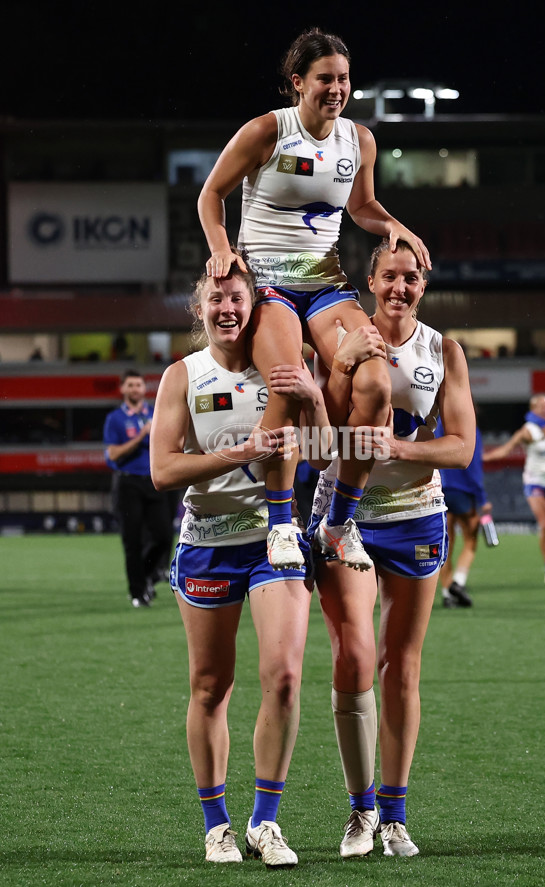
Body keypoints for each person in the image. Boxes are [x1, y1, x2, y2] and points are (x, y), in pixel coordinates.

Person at [198, 27, 430, 574]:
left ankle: (336, 523)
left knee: (377, 382)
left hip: (325, 283)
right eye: (325, 78)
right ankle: (280, 524)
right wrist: (221, 251)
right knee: (284, 383)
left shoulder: (359, 141)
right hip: (271, 285)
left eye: (344, 79)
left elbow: (363, 205)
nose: (336, 88)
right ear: (298, 83)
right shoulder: (265, 132)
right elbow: (211, 194)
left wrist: (397, 227)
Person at [149, 260, 328, 866]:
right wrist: (241, 453)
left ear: (255, 305)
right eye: (216, 299)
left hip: (272, 541)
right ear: (199, 309)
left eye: (237, 298)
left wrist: (315, 400)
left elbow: (327, 457)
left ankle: (265, 822)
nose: (227, 308)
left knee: (284, 676)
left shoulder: (282, 369)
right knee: (210, 686)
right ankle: (216, 824)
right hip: (207, 542)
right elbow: (162, 470)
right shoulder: (183, 376)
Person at [307, 239, 475, 858]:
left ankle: (396, 816)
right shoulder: (341, 336)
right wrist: (341, 368)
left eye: (410, 278)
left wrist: (400, 451)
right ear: (370, 281)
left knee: (399, 666)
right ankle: (361, 811)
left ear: (422, 285)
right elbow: (320, 443)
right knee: (353, 659)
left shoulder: (443, 351)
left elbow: (460, 447)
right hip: (344, 517)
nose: (399, 288)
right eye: (389, 277)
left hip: (414, 516)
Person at [103, 369, 173, 607]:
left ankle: (147, 577)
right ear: (122, 389)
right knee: (132, 541)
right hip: (127, 483)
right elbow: (112, 454)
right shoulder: (115, 419)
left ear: (145, 389)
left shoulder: (155, 414)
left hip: (154, 482)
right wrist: (142, 436)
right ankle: (137, 593)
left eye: (139, 385)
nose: (135, 389)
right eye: (130, 385)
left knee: (163, 537)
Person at [483, 394, 545, 584]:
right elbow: (505, 450)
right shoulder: (528, 430)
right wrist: (481, 459)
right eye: (544, 407)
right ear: (534, 408)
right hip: (534, 481)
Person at [437, 420, 493, 607]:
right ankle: (459, 583)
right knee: (471, 540)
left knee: (446, 545)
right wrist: (482, 499)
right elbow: (473, 465)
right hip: (462, 492)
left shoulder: (434, 424)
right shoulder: (468, 426)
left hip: (439, 489)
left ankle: (446, 593)